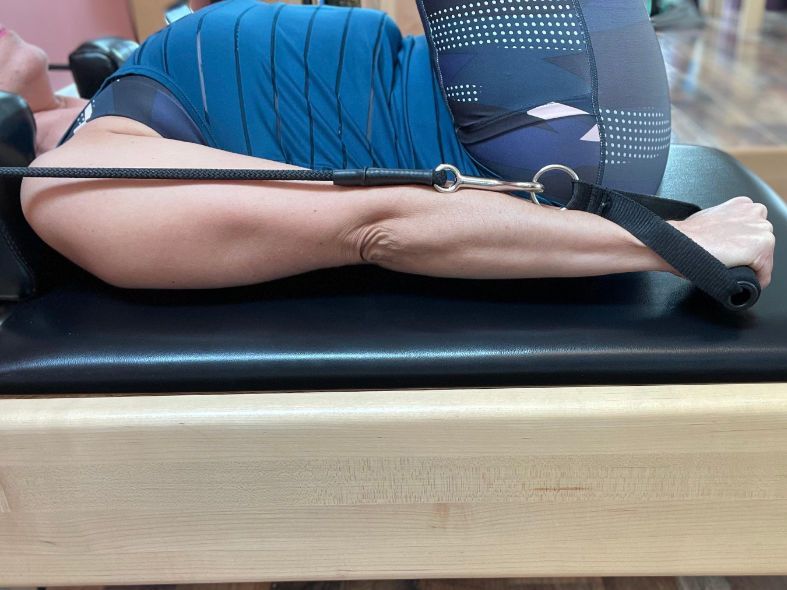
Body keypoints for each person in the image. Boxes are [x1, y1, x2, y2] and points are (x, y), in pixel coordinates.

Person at [3, 0, 774, 291]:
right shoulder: (70, 180)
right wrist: (673, 243)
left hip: (500, 86)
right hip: (542, 136)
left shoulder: (91, 96)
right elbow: (376, 223)